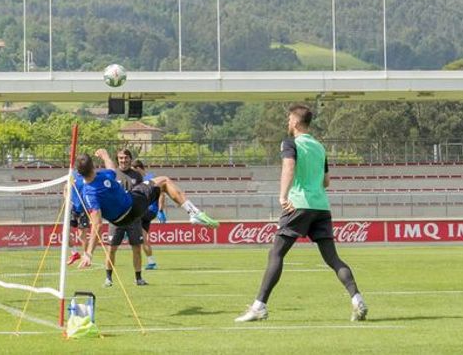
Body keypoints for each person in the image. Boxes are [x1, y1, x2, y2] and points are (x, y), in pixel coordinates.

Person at [235, 104, 367, 323]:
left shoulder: (291, 143)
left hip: (298, 205)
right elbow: (326, 181)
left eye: (289, 119)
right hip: (321, 207)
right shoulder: (319, 147)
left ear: (295, 122)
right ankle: (357, 299)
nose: (287, 123)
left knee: (275, 253)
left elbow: (288, 167)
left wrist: (282, 196)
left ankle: (259, 307)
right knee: (332, 258)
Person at [77, 148, 218, 281]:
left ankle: (123, 277)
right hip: (133, 206)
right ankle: (193, 212)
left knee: (131, 247)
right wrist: (104, 155)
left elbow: (97, 223)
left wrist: (89, 253)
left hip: (121, 218)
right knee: (164, 180)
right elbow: (97, 223)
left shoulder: (88, 192)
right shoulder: (100, 180)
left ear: (79, 173)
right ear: (94, 166)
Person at [109, 149, 149, 286]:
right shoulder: (112, 174)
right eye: (120, 158)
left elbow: (140, 195)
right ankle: (108, 278)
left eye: (126, 158)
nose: (123, 160)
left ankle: (138, 278)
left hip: (133, 218)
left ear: (130, 159)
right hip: (117, 219)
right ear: (117, 159)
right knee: (111, 248)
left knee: (136, 248)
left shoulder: (137, 175)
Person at [133, 158, 166, 270]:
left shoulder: (149, 179)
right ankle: (151, 262)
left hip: (147, 211)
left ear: (138, 168)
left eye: (134, 170)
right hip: (147, 214)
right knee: (143, 238)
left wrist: (161, 210)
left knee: (130, 218)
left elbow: (162, 194)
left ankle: (125, 231)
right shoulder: (140, 179)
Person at [66, 171, 88, 265]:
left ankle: (86, 257)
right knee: (66, 233)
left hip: (84, 208)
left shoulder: (87, 175)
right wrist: (67, 199)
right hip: (73, 208)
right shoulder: (72, 174)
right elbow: (65, 188)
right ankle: (75, 253)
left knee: (81, 236)